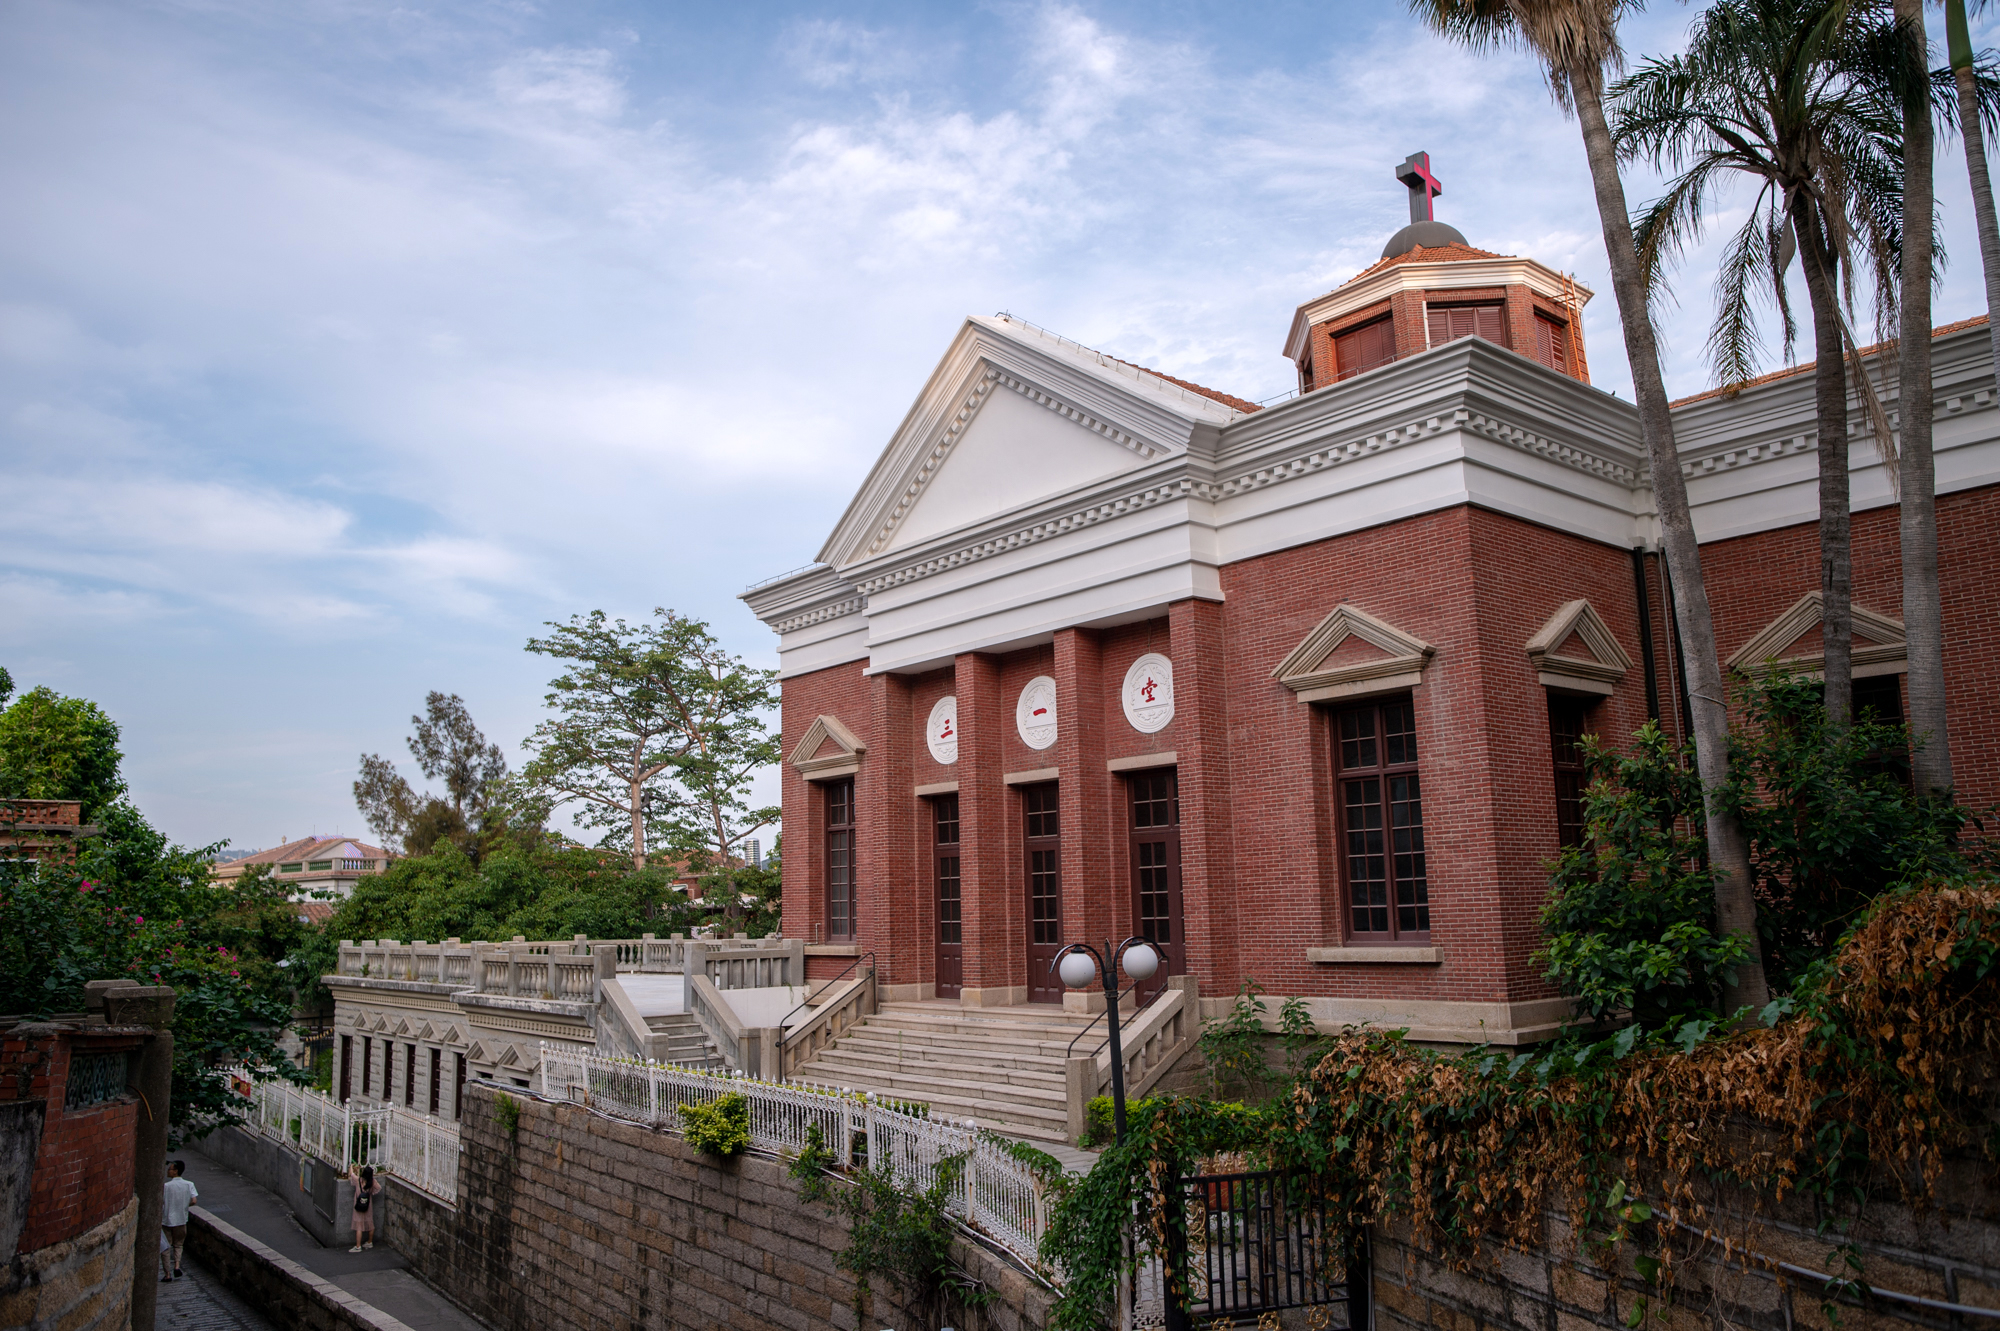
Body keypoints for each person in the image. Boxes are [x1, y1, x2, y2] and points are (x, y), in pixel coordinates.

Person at [161, 1161, 198, 1280]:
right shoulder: (189, 1184)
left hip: (167, 1220)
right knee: (178, 1244)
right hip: (181, 1219)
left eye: (170, 1169)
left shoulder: (166, 1186)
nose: (168, 1171)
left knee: (166, 1247)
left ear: (175, 1171)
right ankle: (177, 1266)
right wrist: (184, 1206)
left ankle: (167, 1274)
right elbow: (194, 1201)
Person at [347, 1164, 380, 1252]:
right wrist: (371, 1192)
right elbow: (378, 1188)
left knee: (359, 1226)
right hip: (368, 1205)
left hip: (359, 1205)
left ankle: (358, 1246)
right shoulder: (372, 1182)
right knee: (370, 1223)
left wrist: (351, 1166)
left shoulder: (358, 1180)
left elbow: (351, 1174)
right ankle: (369, 1242)